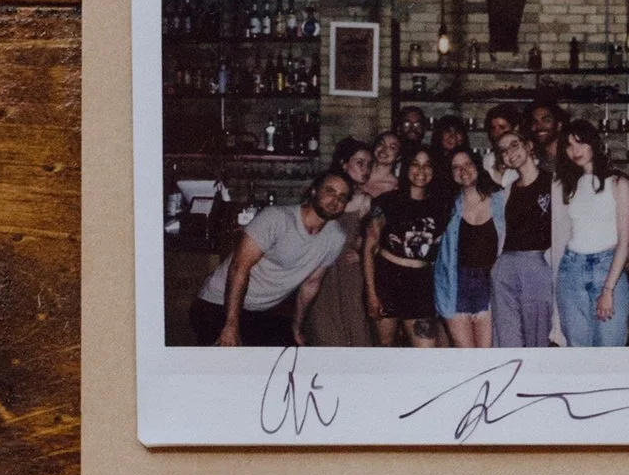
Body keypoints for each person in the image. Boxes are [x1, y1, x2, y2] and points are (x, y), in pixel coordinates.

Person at [191, 170, 354, 347]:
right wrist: (230, 325)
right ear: (314, 191)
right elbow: (239, 268)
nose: (335, 201)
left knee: (290, 355)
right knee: (231, 359)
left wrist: (297, 328)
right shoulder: (276, 218)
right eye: (330, 191)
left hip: (261, 312)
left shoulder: (335, 237)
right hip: (218, 305)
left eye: (342, 197)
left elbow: (311, 284)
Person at [553, 119, 629, 347]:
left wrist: (608, 290)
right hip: (571, 270)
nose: (575, 150)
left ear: (593, 144)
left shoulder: (618, 182)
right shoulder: (570, 184)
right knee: (577, 350)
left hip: (607, 269)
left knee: (609, 348)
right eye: (569, 146)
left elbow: (625, 242)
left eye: (580, 143)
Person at [298, 138, 378, 349]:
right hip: (321, 269)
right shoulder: (323, 194)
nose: (366, 169)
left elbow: (371, 240)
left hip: (348, 272)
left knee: (354, 327)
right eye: (359, 163)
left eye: (369, 164)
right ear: (344, 164)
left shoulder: (365, 200)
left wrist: (362, 253)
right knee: (324, 329)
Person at [367, 143, 445, 345]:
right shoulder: (386, 202)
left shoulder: (441, 205)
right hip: (387, 279)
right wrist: (371, 294)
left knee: (426, 350)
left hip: (421, 283)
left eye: (427, 165)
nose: (421, 170)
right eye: (415, 164)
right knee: (386, 348)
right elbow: (369, 248)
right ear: (406, 168)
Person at [489, 130, 559, 348]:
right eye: (503, 150)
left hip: (537, 265)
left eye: (514, 145)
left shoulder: (554, 183)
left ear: (528, 146)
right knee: (507, 337)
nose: (510, 152)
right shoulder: (508, 190)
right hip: (505, 266)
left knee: (538, 336)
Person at [433, 144, 501, 350]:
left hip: (490, 286)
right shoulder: (446, 206)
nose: (463, 170)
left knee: (487, 355)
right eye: (456, 167)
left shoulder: (501, 200)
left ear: (477, 166)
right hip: (455, 286)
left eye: (468, 164)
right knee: (465, 357)